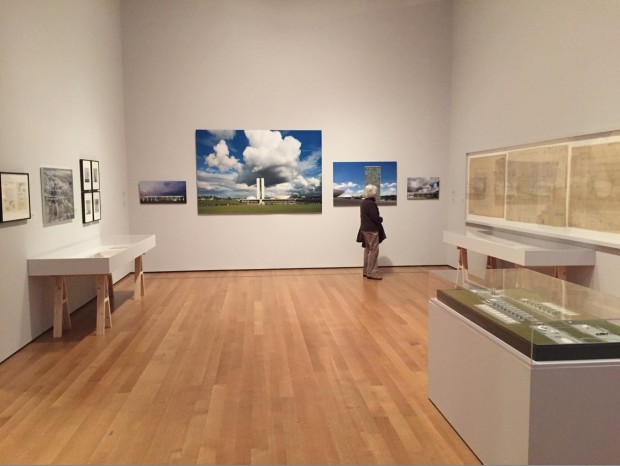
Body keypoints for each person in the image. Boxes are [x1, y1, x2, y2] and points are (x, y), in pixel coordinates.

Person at [356, 184, 386, 280]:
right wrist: (380, 219)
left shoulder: (364, 203)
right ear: (372, 192)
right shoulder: (371, 204)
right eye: (375, 191)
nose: (376, 193)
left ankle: (366, 271)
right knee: (373, 251)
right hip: (372, 230)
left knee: (368, 250)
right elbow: (375, 218)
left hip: (364, 229)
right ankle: (372, 272)